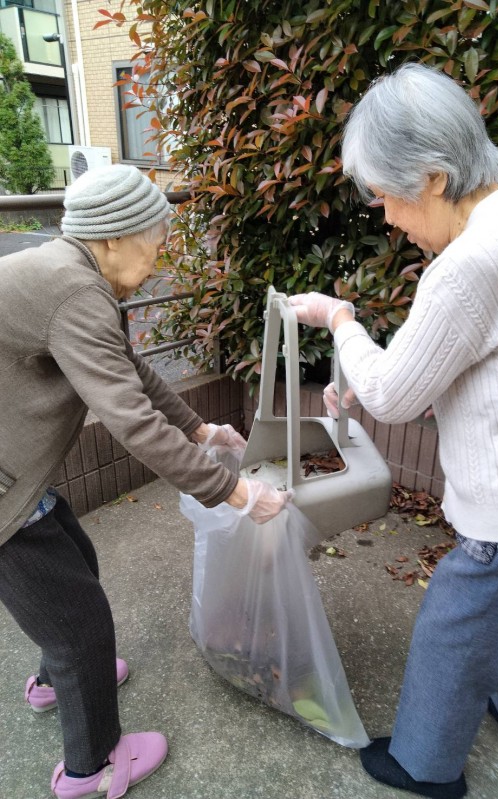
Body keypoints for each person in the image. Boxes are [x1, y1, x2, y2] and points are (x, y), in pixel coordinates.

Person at [289, 62, 498, 799]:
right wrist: (384, 375)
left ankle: (425, 765)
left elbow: (392, 394)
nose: (386, 217)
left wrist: (339, 320)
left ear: (432, 177)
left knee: (454, 627)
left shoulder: (471, 261)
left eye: (386, 196)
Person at [0, 164, 292, 799]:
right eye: (156, 238)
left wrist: (200, 429)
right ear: (113, 237)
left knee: (74, 561)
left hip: (13, 469)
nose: (162, 252)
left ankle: (56, 682)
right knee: (80, 626)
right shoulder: (75, 293)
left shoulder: (70, 273)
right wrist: (238, 494)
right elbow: (132, 420)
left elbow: (128, 367)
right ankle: (92, 768)